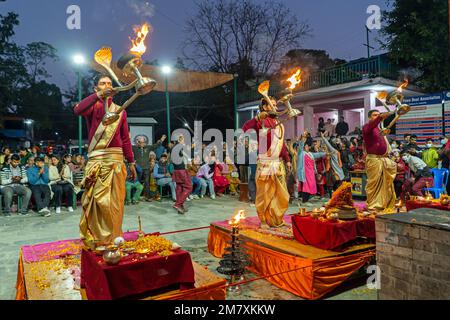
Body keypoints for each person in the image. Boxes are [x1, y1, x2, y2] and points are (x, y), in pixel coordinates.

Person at [74, 74, 136, 249]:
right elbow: (77, 110)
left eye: (109, 83)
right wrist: (98, 96)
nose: (107, 85)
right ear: (97, 88)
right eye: (102, 83)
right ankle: (97, 238)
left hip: (116, 161)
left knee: (115, 202)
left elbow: (125, 138)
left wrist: (131, 162)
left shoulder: (120, 110)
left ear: (114, 90)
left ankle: (115, 236)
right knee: (97, 201)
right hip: (97, 160)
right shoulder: (92, 107)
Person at [242, 97, 292, 228]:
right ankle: (264, 220)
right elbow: (245, 128)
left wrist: (287, 160)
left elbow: (282, 146)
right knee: (265, 194)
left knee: (281, 195)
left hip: (278, 164)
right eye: (272, 105)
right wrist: (257, 118)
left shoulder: (279, 123)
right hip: (265, 163)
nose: (275, 107)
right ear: (265, 107)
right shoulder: (261, 122)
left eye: (275, 105)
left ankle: (276, 220)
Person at [362, 110, 396, 213]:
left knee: (386, 185)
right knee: (373, 184)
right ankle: (373, 205)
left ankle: (384, 204)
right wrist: (380, 117)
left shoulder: (379, 129)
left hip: (383, 160)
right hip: (374, 160)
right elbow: (373, 123)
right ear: (369, 117)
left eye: (378, 114)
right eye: (374, 115)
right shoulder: (367, 127)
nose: (377, 116)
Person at [132, 134, 166, 201]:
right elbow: (126, 147)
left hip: (146, 168)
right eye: (140, 142)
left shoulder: (148, 147)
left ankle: (147, 197)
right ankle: (136, 197)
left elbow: (155, 146)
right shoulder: (134, 148)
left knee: (147, 182)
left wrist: (161, 140)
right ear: (137, 142)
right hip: (138, 168)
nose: (142, 144)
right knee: (137, 182)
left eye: (143, 142)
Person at [296, 132, 327, 203]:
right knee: (305, 187)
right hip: (304, 173)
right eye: (306, 146)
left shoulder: (310, 154)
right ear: (304, 147)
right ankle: (304, 201)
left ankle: (306, 200)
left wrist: (325, 153)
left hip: (311, 174)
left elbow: (318, 154)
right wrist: (302, 140)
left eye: (308, 146)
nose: (308, 147)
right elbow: (300, 146)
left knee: (310, 187)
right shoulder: (301, 153)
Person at [170, 135, 193, 214]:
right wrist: (189, 160)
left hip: (176, 170)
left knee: (179, 187)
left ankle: (180, 206)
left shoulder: (174, 147)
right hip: (181, 170)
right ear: (179, 140)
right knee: (189, 187)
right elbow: (186, 154)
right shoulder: (179, 147)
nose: (184, 141)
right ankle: (178, 204)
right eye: (183, 140)